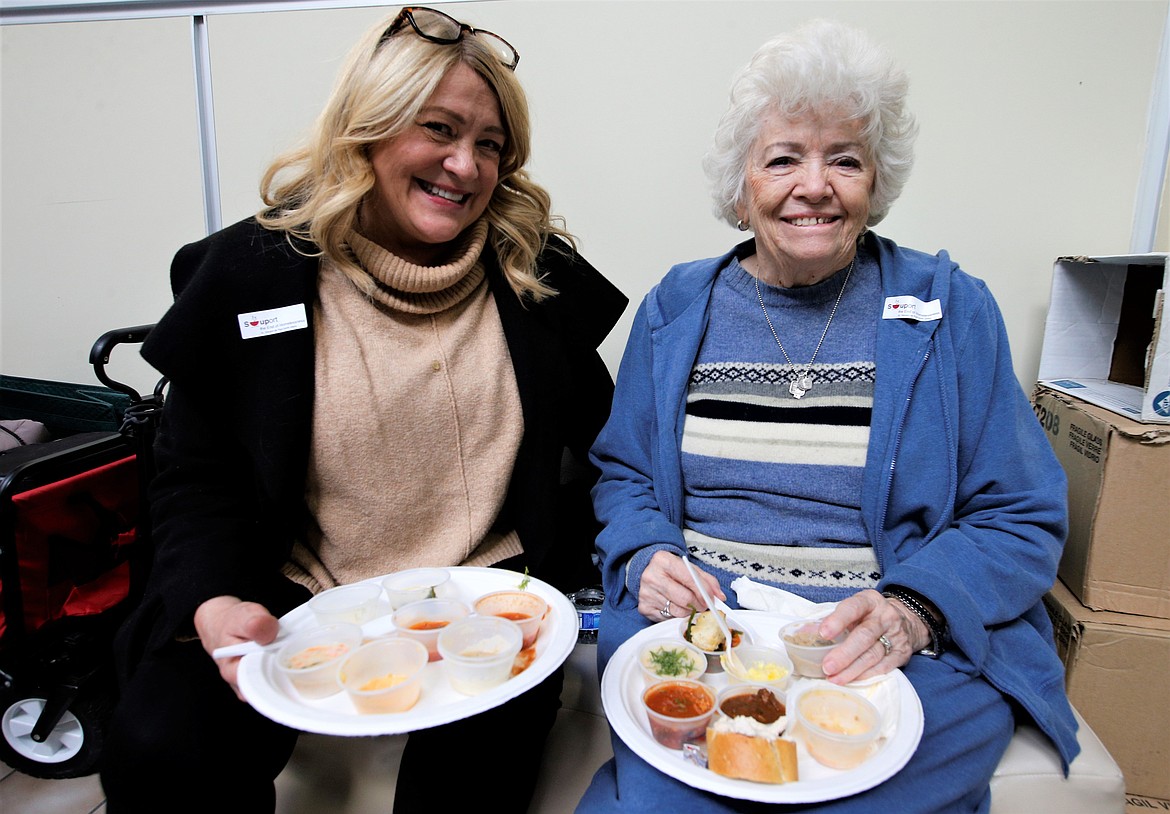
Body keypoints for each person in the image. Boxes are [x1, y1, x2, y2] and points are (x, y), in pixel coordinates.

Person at [99, 7, 626, 812]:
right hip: (296, 594)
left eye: (490, 145)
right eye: (439, 129)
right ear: (367, 130)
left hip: (489, 600)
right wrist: (213, 601)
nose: (465, 165)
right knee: (161, 749)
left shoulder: (532, 276)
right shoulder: (255, 276)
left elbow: (607, 450)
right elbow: (194, 480)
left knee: (468, 789)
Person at [580, 18, 1078, 814]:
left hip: (882, 644)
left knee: (862, 785)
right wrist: (645, 555)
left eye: (843, 159)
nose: (814, 185)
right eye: (783, 159)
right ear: (741, 188)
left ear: (875, 183)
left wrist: (914, 610)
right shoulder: (677, 307)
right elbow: (625, 475)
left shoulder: (952, 308)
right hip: (713, 638)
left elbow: (1019, 513)